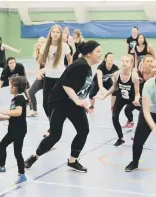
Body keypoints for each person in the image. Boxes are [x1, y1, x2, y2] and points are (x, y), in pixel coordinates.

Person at [24, 40, 102, 173]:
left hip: (72, 102)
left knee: (83, 130)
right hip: (59, 102)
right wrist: (77, 100)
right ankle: (33, 157)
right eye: (98, 52)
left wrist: (82, 104)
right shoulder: (80, 65)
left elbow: (78, 88)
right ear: (89, 54)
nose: (101, 55)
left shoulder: (87, 67)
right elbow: (66, 84)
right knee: (55, 135)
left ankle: (72, 161)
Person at [0, 75, 29, 185]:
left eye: (9, 85)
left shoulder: (19, 98)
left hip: (18, 130)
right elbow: (15, 114)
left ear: (13, 88)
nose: (9, 87)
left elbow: (18, 112)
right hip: (13, 129)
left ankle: (22, 175)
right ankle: (2, 166)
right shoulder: (16, 98)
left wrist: (5, 112)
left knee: (17, 152)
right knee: (2, 145)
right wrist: (5, 117)